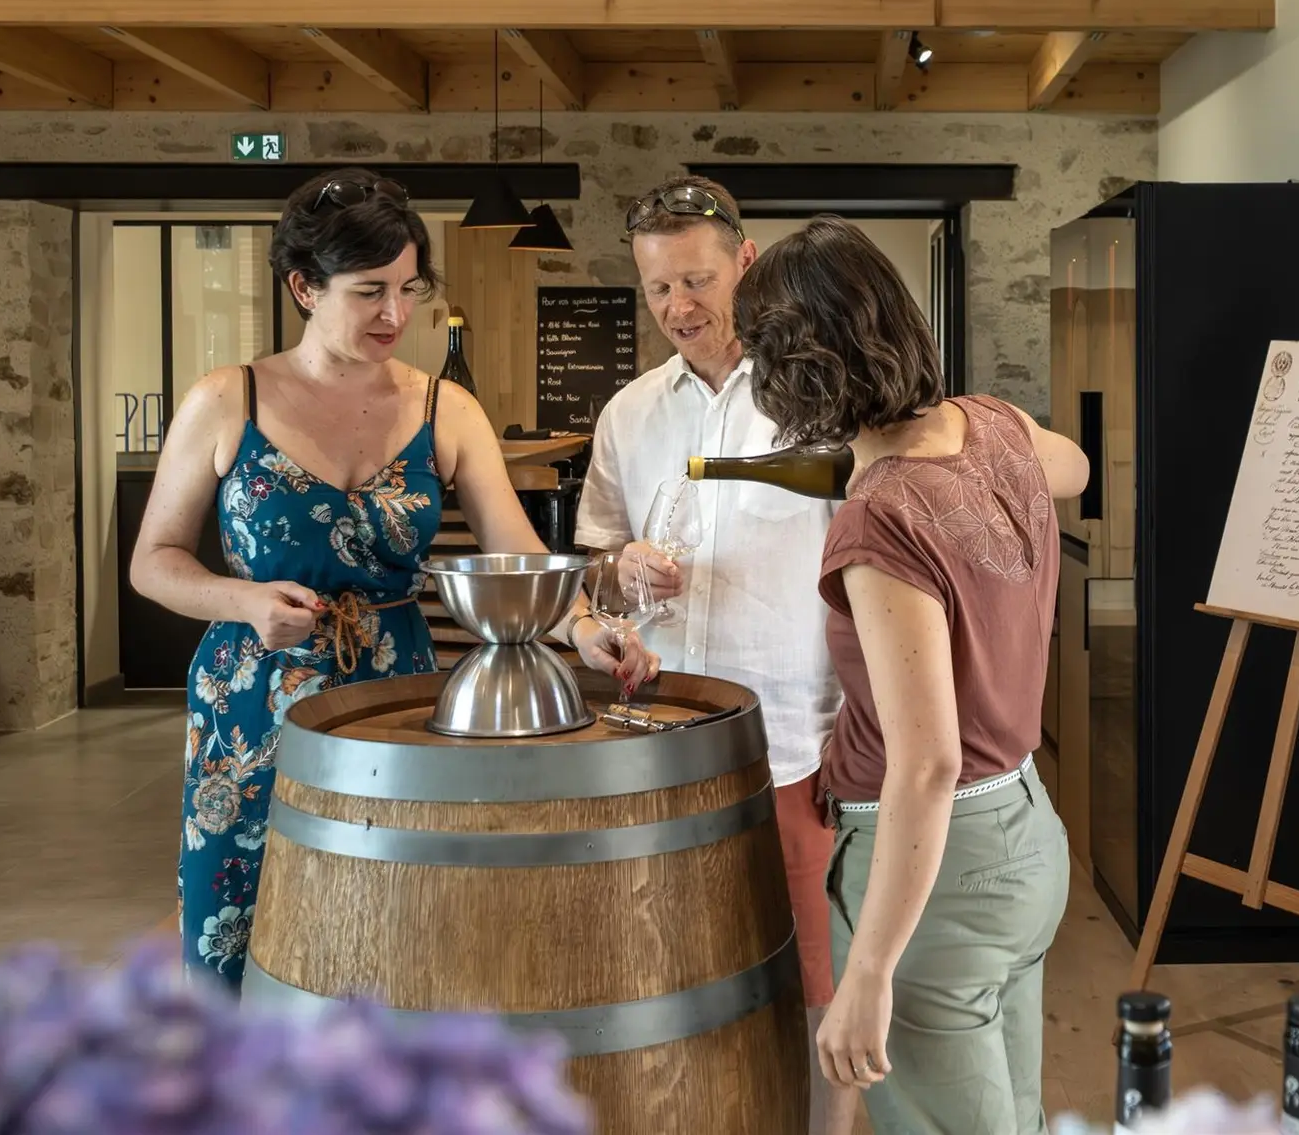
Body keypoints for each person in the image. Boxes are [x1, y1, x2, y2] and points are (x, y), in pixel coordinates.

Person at [131, 168, 654, 990]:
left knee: (391, 919)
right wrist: (242, 600)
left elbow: (513, 552)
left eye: (410, 289)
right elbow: (153, 560)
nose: (396, 315)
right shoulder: (227, 398)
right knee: (236, 920)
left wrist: (586, 627)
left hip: (396, 695)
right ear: (304, 286)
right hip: (251, 699)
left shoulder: (446, 408)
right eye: (369, 291)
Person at [732, 214, 1090, 1135]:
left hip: (943, 873)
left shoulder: (881, 520)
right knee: (1012, 1116)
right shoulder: (996, 425)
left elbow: (925, 763)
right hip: (1026, 830)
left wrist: (870, 972)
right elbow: (1076, 467)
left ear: (794, 370)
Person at [573, 177, 858, 1135]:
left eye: (696, 280)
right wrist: (620, 571)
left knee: (821, 989)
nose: (679, 308)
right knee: (672, 977)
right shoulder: (629, 413)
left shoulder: (821, 394)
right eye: (657, 290)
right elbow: (596, 561)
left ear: (746, 261)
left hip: (793, 743)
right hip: (659, 742)